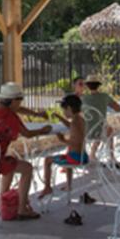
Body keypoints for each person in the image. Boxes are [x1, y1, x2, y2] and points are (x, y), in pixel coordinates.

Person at [0, 82, 51, 220]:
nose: (20, 103)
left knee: (10, 164)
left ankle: (1, 203)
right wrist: (43, 130)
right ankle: (22, 209)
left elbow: (17, 109)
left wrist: (36, 114)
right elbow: (27, 134)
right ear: (13, 101)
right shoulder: (9, 117)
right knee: (27, 168)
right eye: (20, 100)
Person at [39, 94, 91, 225]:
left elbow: (76, 142)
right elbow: (72, 127)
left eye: (64, 110)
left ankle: (47, 187)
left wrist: (63, 140)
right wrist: (60, 118)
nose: (64, 112)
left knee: (47, 160)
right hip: (82, 156)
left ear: (69, 108)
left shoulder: (75, 122)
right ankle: (68, 185)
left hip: (74, 158)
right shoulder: (79, 119)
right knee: (66, 156)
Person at [81, 74, 120, 161]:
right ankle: (111, 156)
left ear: (87, 86)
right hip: (99, 131)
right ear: (98, 85)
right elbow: (118, 108)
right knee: (108, 129)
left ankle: (92, 154)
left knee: (100, 126)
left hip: (86, 131)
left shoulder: (83, 98)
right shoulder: (104, 97)